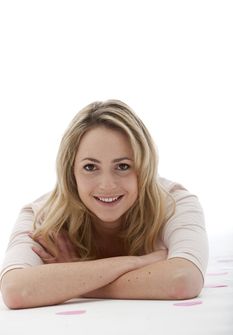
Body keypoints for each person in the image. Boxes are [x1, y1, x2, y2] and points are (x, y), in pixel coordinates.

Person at [0, 100, 209, 309]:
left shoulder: (175, 203)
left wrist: (70, 278)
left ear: (144, 168)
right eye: (90, 167)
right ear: (70, 172)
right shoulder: (41, 217)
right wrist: (137, 262)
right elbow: (15, 290)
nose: (107, 185)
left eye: (123, 166)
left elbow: (183, 280)